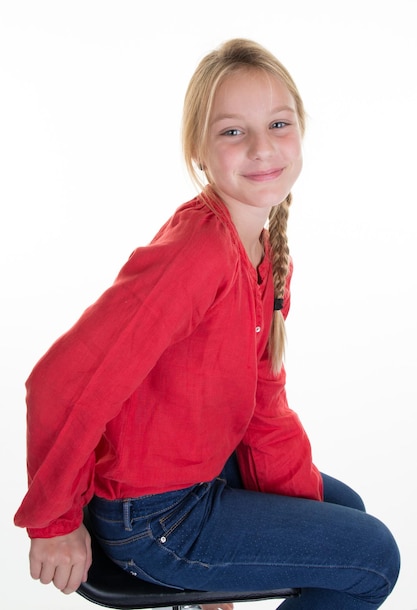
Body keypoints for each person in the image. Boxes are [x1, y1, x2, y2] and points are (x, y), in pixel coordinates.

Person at [15, 38, 400, 609]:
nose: (262, 147)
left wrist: (282, 530)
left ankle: (210, 586)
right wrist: (54, 519)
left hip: (201, 472)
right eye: (232, 131)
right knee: (372, 558)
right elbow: (59, 382)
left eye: (277, 123)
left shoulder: (266, 253)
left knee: (346, 517)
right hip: (152, 515)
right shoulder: (197, 255)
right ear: (199, 149)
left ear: (301, 132)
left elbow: (264, 407)